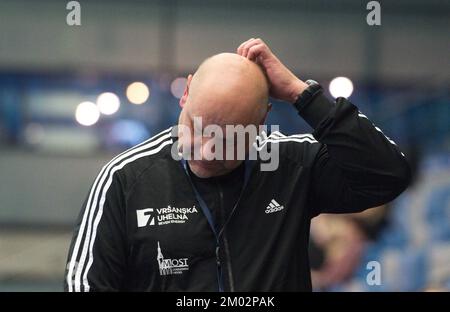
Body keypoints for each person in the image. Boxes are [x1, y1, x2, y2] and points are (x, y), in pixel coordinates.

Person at [64, 38, 411, 291]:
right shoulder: (126, 179)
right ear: (186, 94)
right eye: (198, 129)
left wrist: (300, 94)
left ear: (260, 123)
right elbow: (84, 284)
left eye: (229, 139)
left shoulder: (291, 165)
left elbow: (388, 174)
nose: (207, 149)